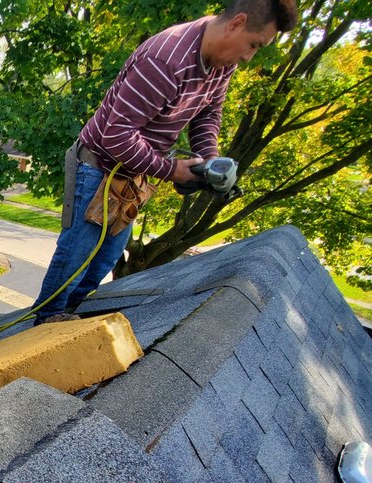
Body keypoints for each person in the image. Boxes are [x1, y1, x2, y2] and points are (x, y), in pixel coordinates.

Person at [31, 0, 298, 323]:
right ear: (236, 24)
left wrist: (209, 161)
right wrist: (172, 170)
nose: (248, 56)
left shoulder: (221, 65)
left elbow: (207, 116)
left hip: (131, 177)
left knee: (102, 263)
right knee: (76, 261)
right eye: (254, 45)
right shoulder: (165, 60)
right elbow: (116, 136)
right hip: (98, 167)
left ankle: (64, 325)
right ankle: (44, 323)